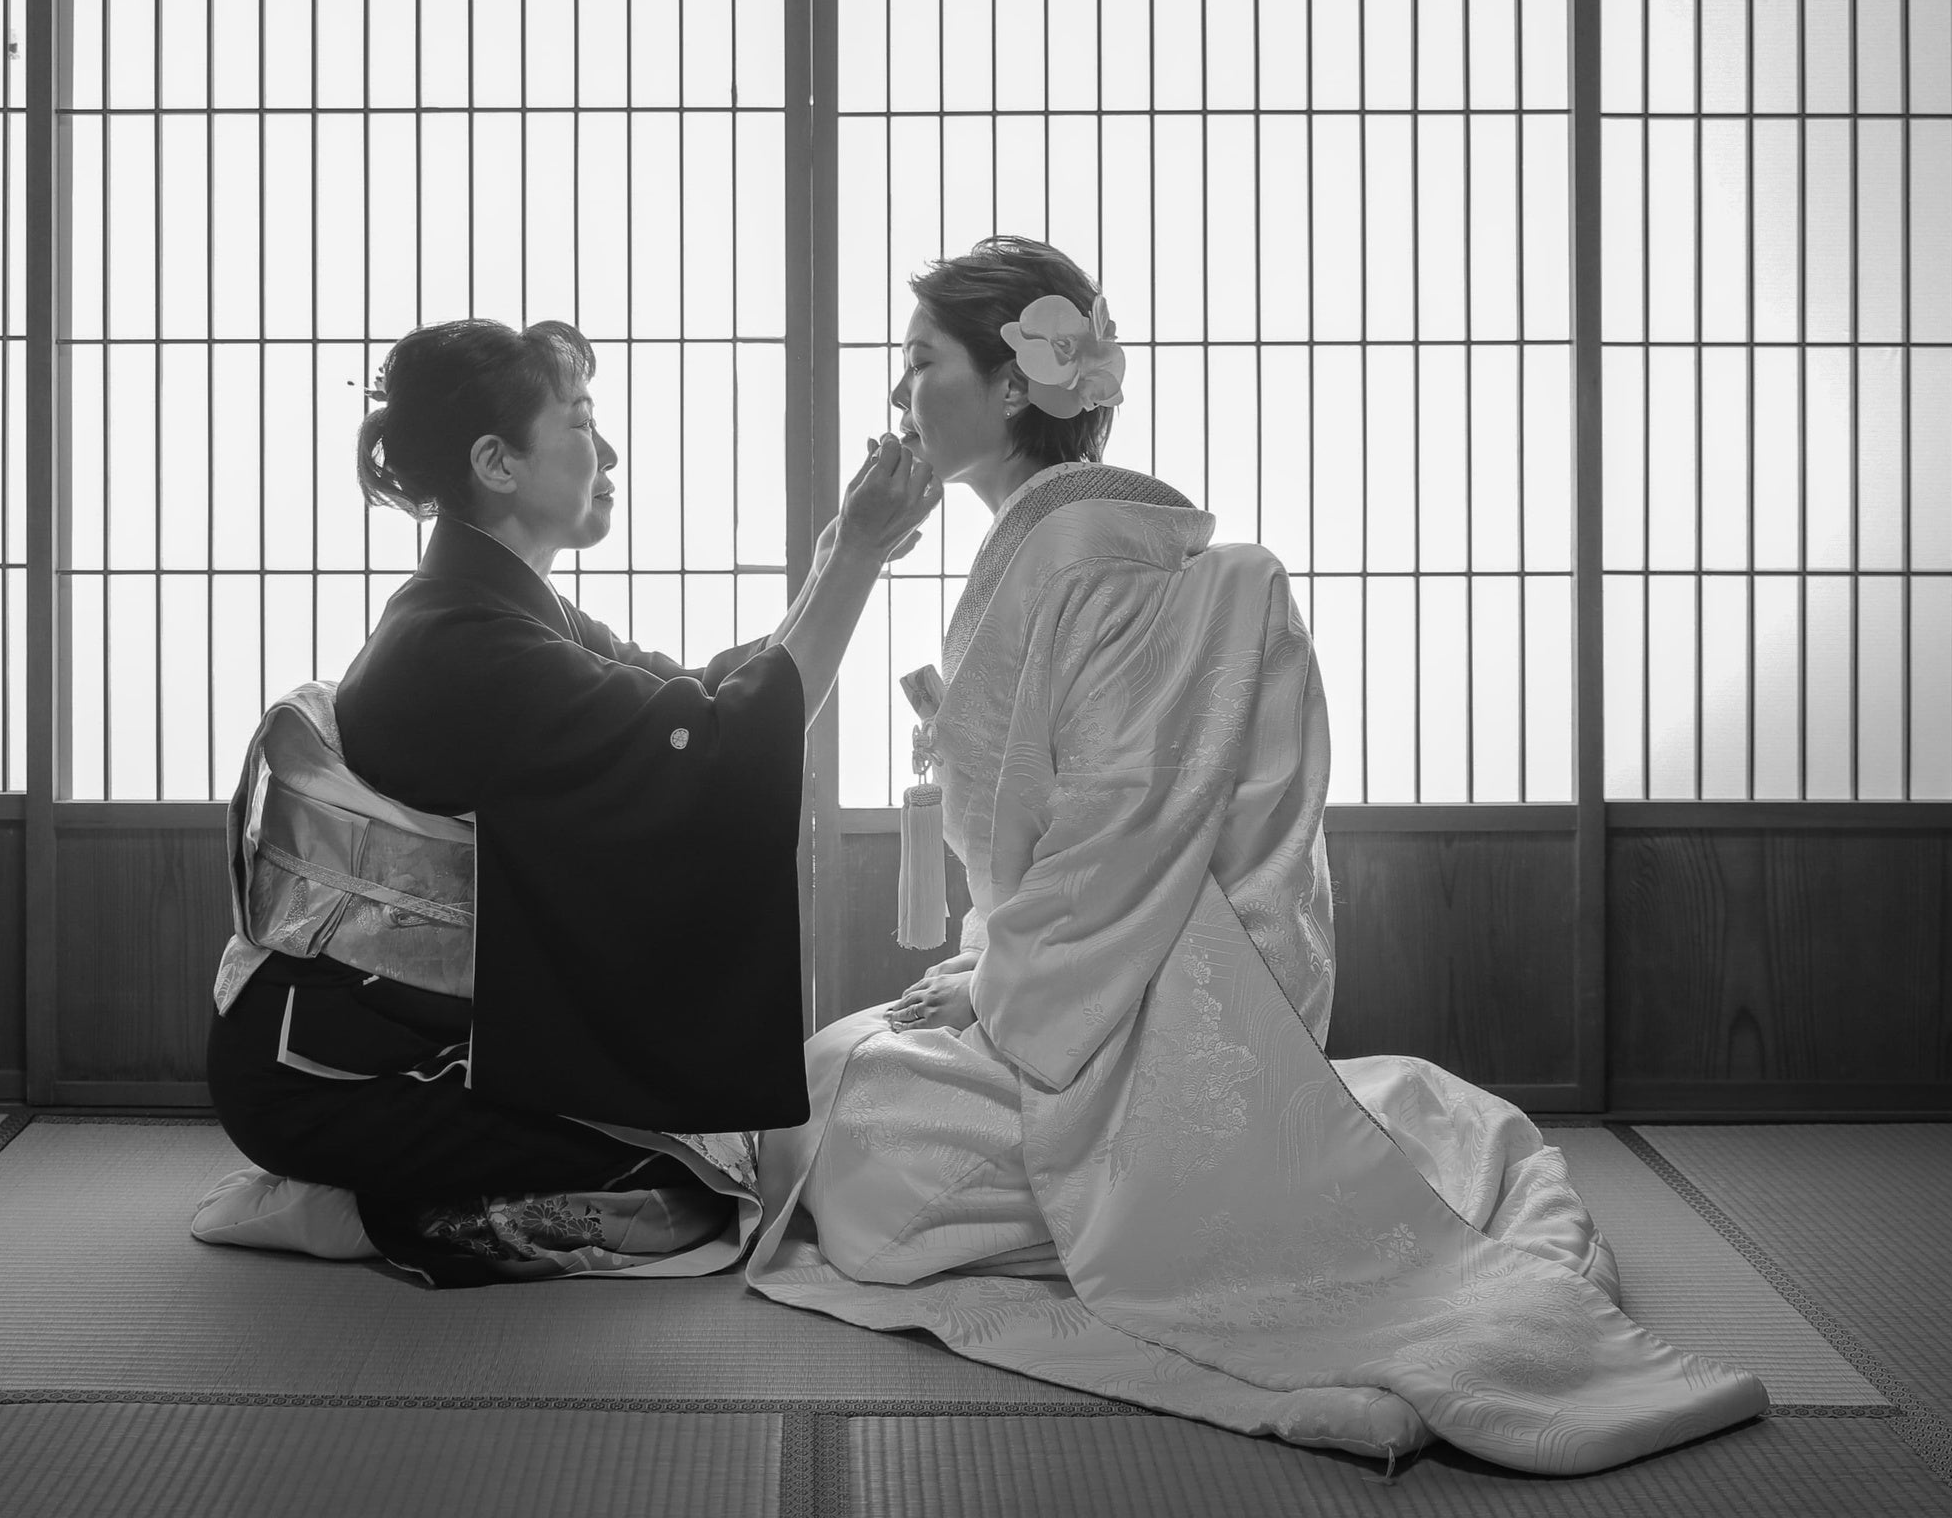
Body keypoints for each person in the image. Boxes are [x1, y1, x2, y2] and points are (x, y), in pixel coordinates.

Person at [747, 237, 1769, 1472]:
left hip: (1125, 1008)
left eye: (920, 362)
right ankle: (1323, 1143)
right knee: (836, 1073)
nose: (899, 392)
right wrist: (990, 961)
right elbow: (1083, 836)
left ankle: (1248, 1195)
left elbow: (1115, 836)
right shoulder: (1090, 549)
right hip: (1092, 979)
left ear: (1013, 385)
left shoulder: (1086, 562)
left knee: (854, 1130)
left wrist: (993, 982)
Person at [194, 314, 937, 1286]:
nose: (609, 451)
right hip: (342, 1077)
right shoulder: (466, 643)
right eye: (581, 422)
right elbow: (722, 748)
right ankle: (348, 1207)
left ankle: (363, 1189)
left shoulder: (496, 608)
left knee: (716, 1155)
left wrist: (843, 550)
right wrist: (855, 560)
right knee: (690, 1188)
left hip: (388, 1040)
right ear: (497, 462)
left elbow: (709, 700)